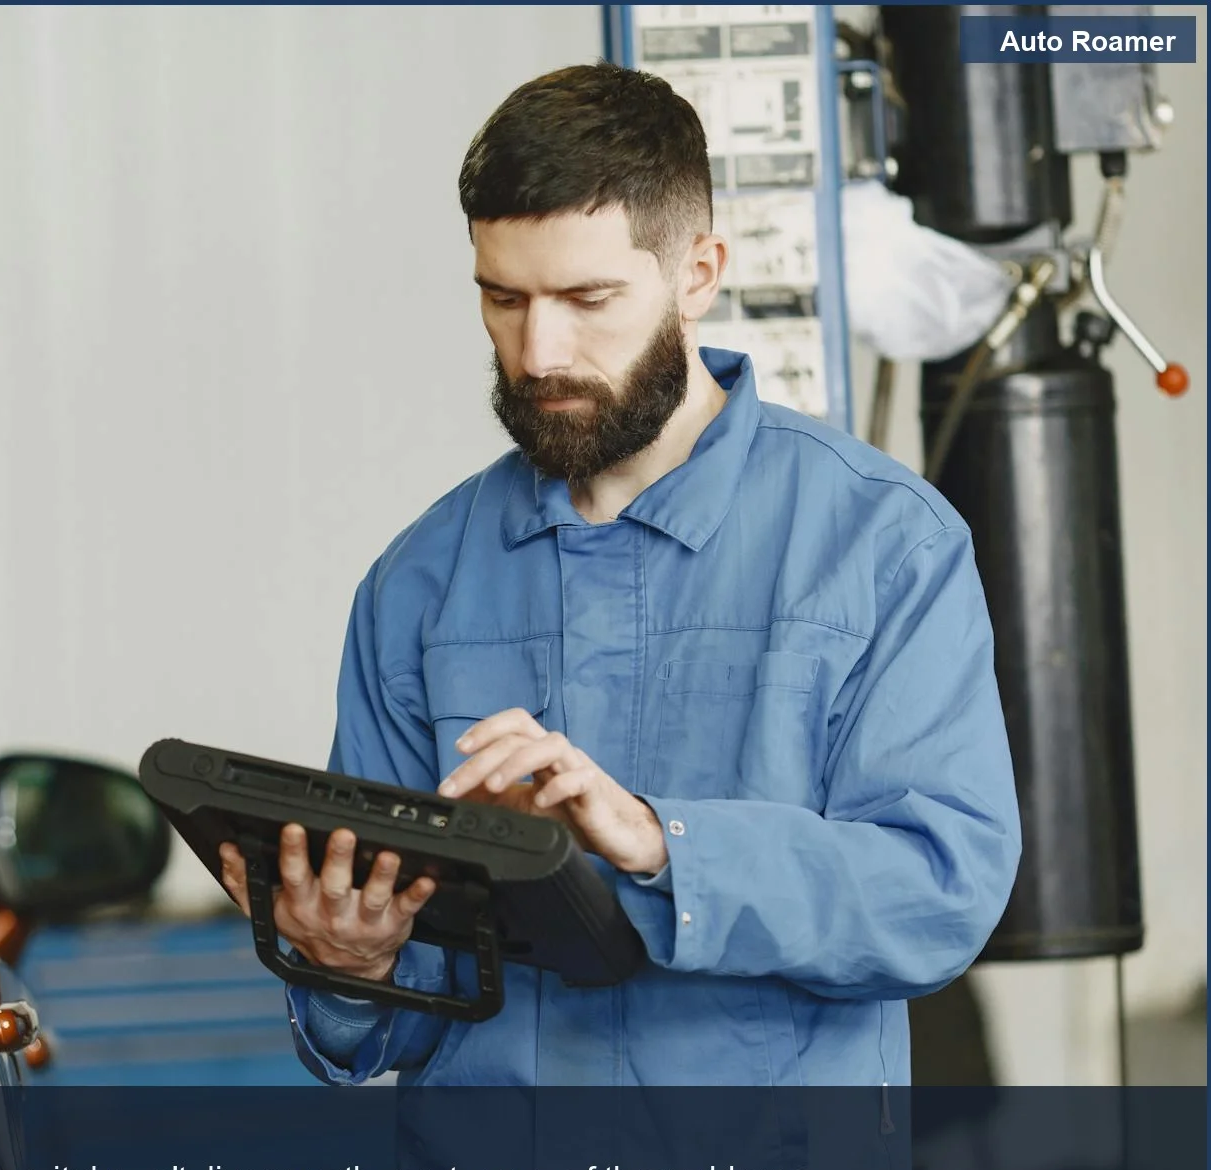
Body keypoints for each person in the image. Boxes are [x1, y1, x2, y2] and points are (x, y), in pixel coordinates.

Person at [214, 60, 1023, 1095]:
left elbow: (935, 895)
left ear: (697, 273)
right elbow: (405, 1002)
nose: (537, 350)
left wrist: (655, 842)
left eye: (585, 297)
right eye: (501, 299)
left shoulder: (879, 545)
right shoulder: (417, 583)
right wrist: (351, 962)